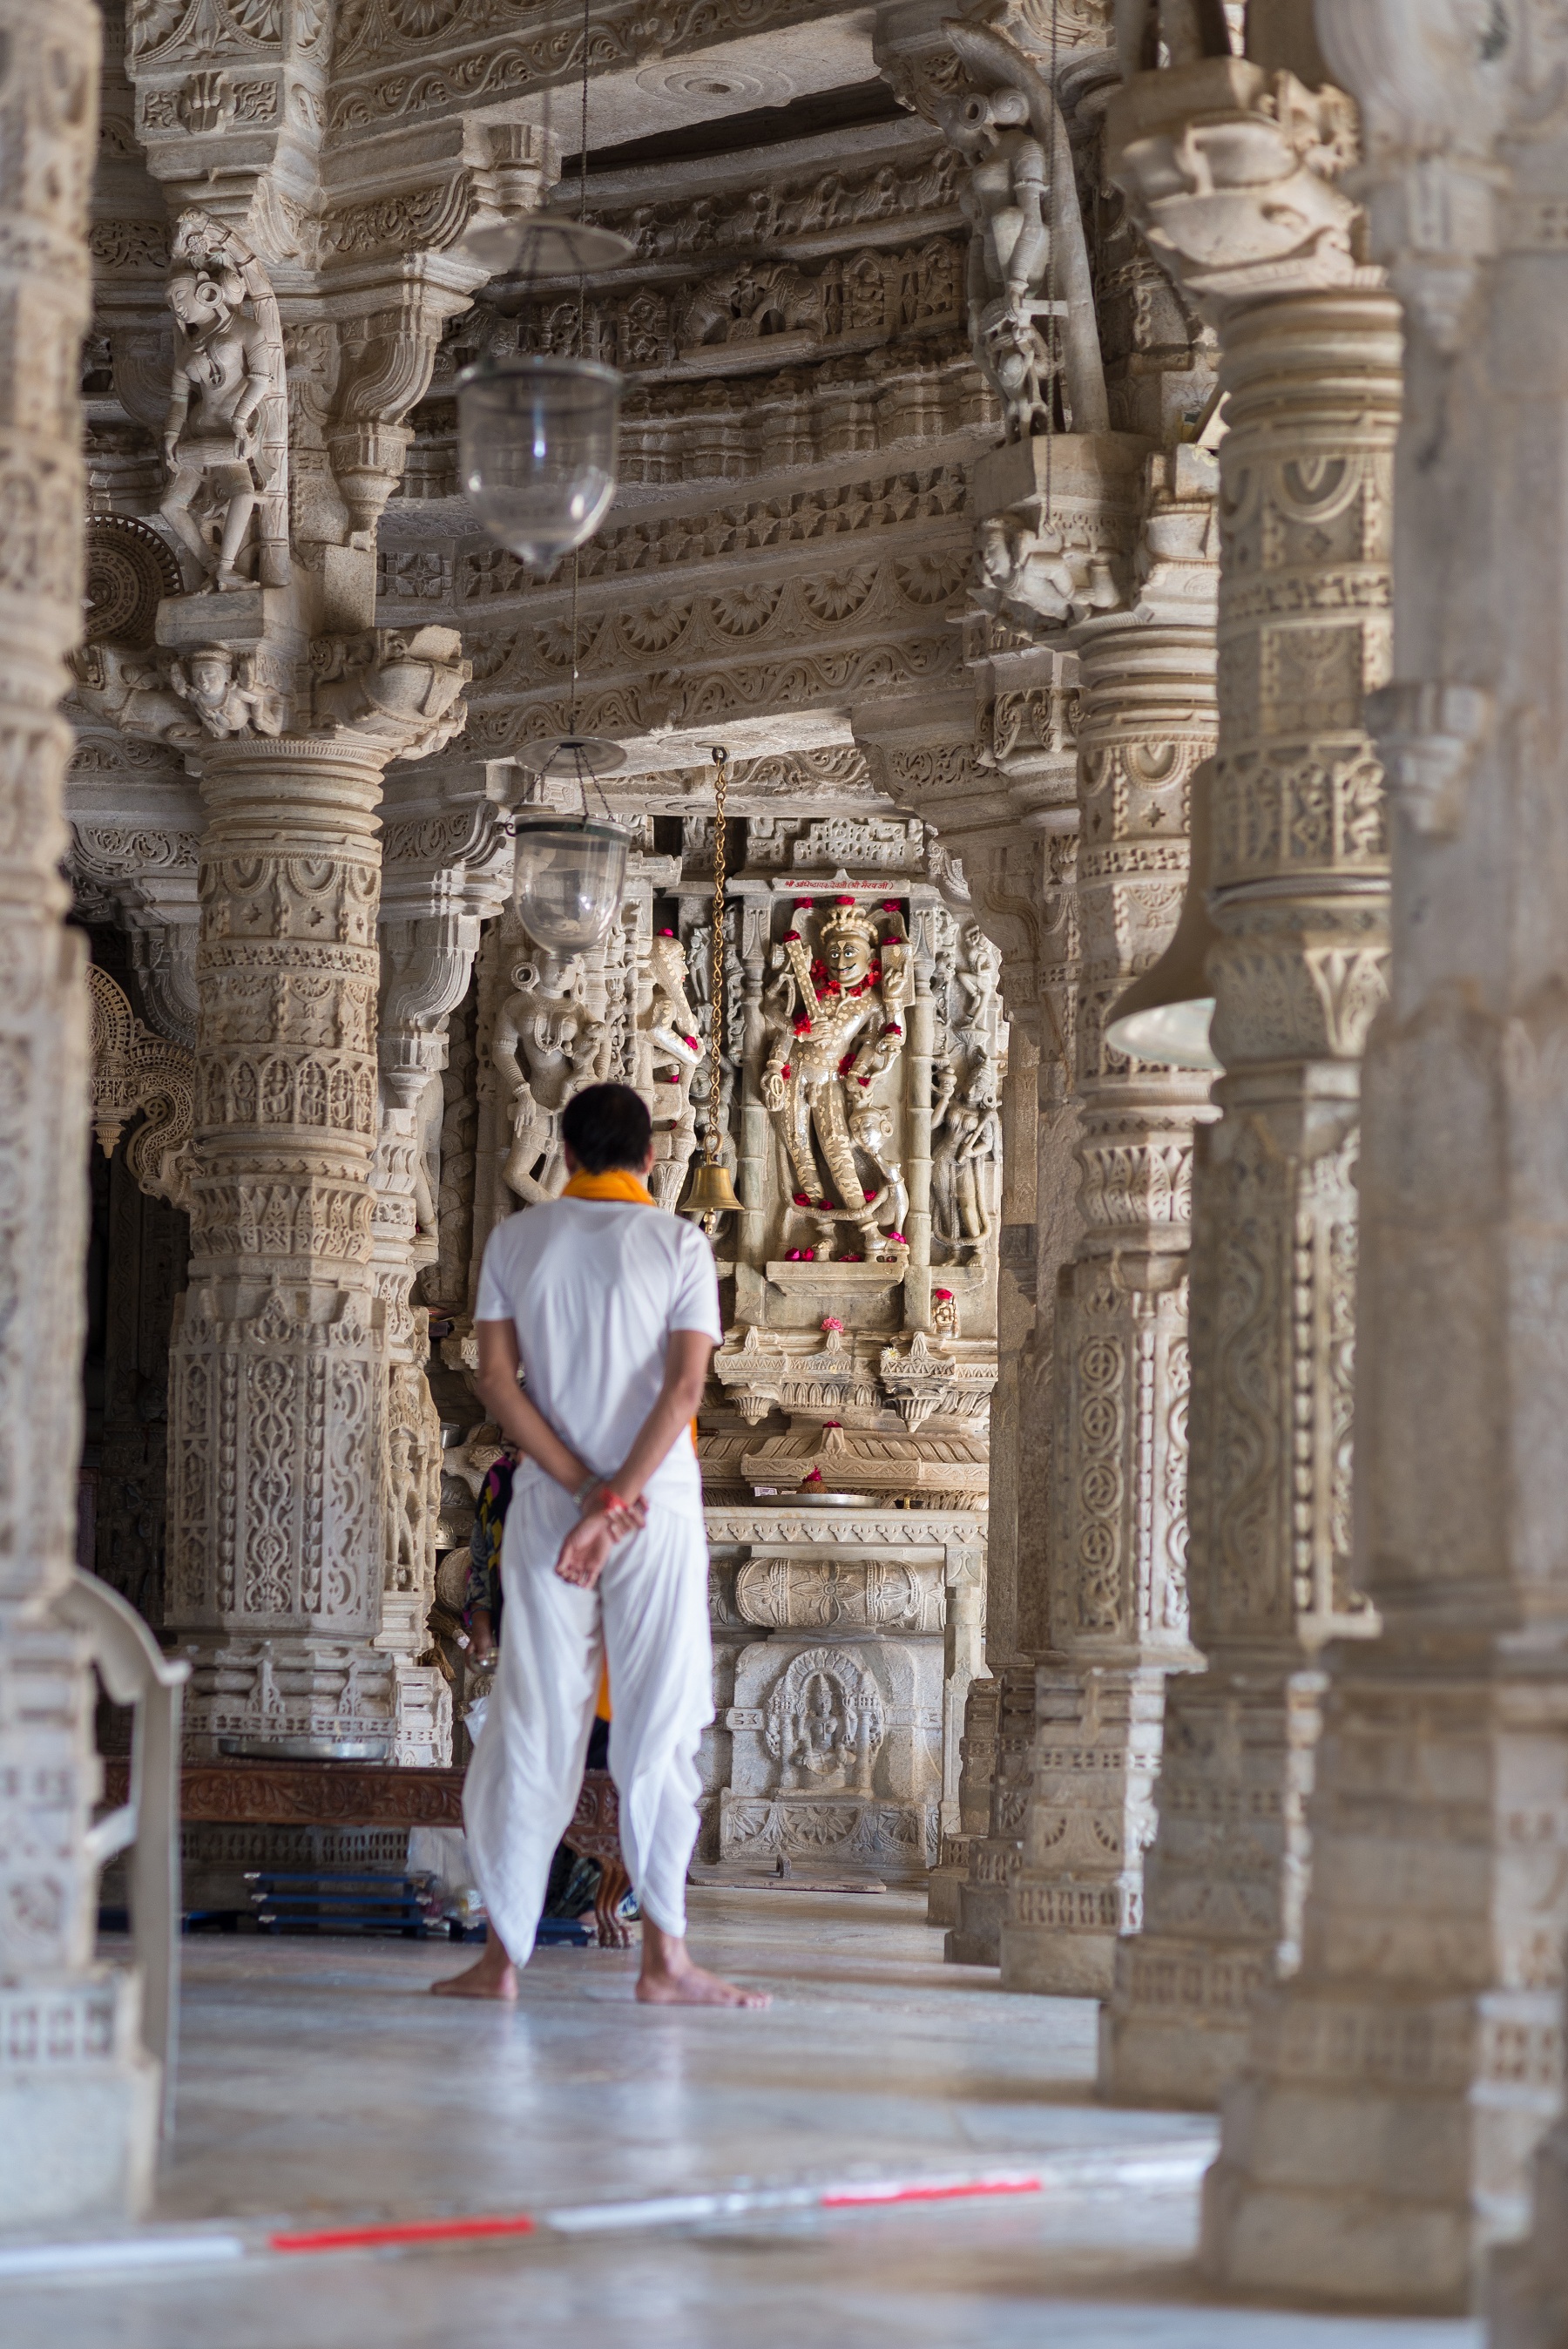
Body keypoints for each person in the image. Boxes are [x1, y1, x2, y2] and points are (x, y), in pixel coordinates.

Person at [433, 1080, 767, 2008]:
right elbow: (687, 1388)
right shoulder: (678, 1243)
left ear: (567, 1151)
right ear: (650, 1157)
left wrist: (583, 1492)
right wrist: (619, 1496)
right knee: (659, 1727)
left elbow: (497, 1382)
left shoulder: (516, 1240)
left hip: (551, 1505)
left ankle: (502, 1956)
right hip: (652, 1505)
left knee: (531, 1721)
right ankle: (665, 1958)